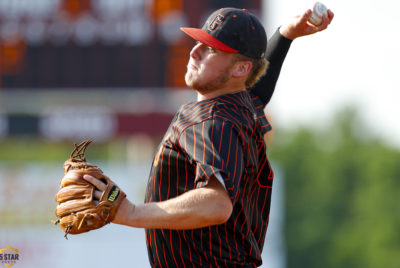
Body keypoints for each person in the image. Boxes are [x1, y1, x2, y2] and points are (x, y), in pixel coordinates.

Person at [83, 6, 334, 267]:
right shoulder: (239, 106)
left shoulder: (211, 122)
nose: (194, 52)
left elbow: (216, 204)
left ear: (240, 69)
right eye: (199, 41)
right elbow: (258, 89)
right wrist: (285, 35)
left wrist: (130, 212)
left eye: (211, 49)